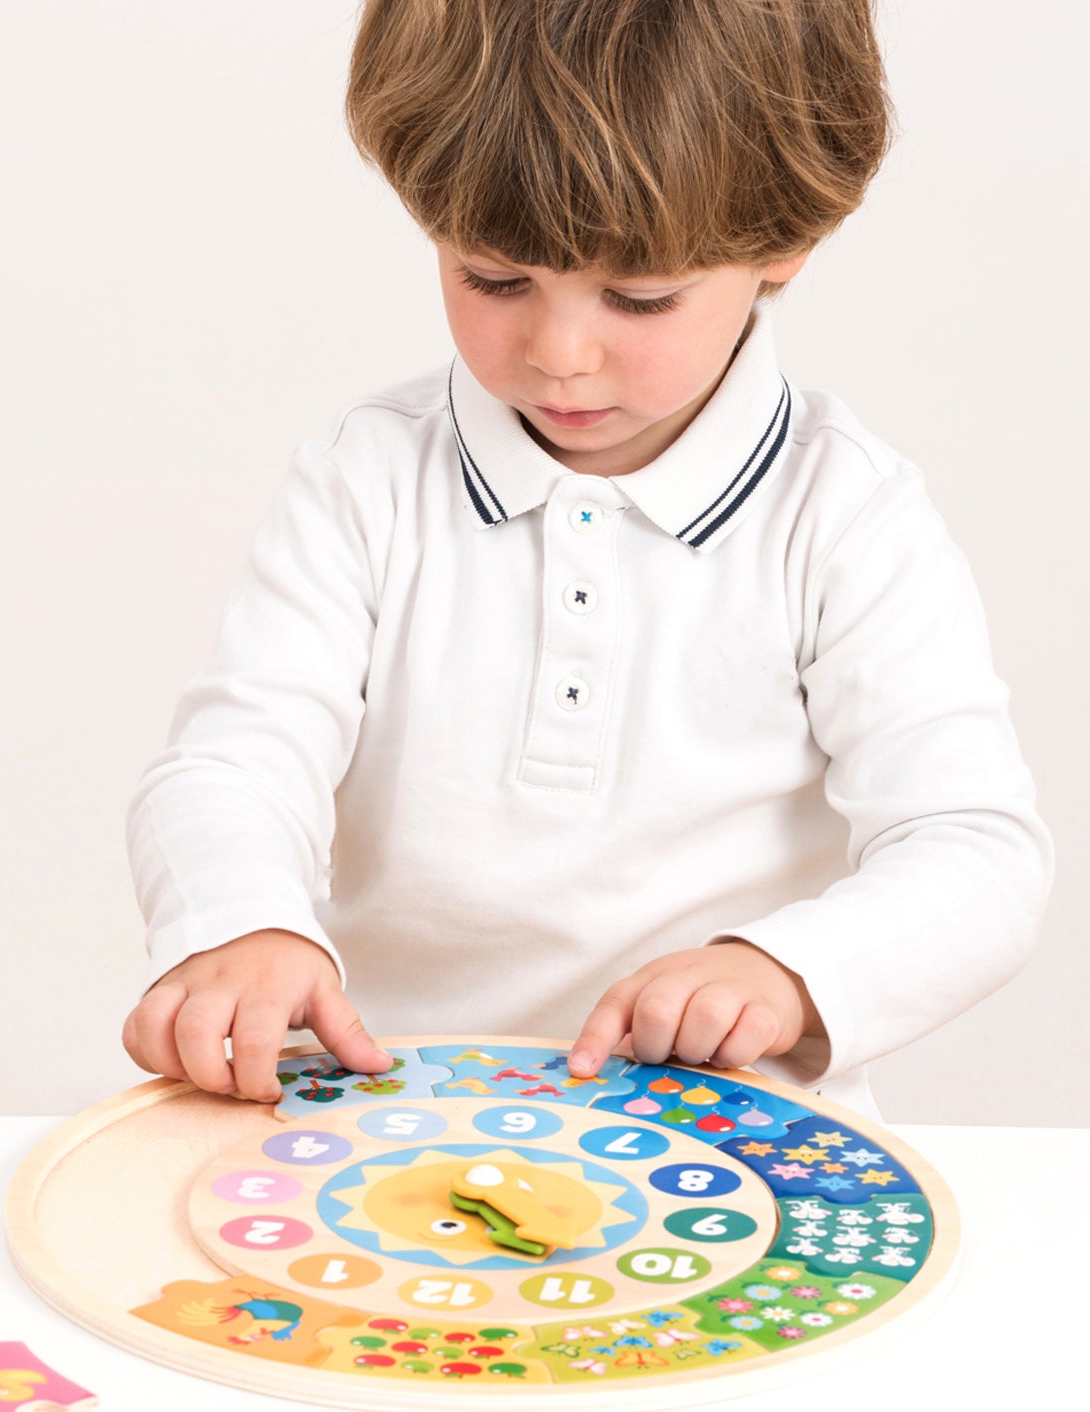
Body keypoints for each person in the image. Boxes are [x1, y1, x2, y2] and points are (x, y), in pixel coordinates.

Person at [122, 0, 1052, 1120]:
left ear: (785, 245)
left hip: (727, 1151)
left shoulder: (845, 514)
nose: (560, 354)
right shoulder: (368, 477)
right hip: (388, 1131)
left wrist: (791, 975)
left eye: (640, 296)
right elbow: (234, 760)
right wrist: (243, 923)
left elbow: (976, 851)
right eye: (494, 279)